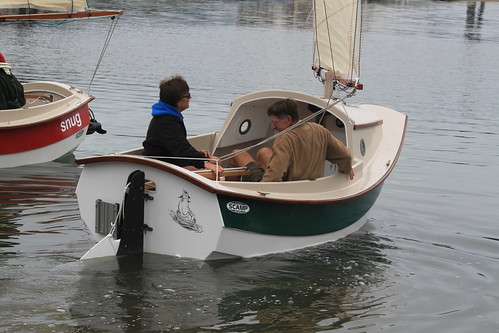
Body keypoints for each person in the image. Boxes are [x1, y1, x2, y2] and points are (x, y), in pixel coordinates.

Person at [228, 98, 354, 182]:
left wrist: (260, 190)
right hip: (306, 185)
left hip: (283, 187)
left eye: (274, 122)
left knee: (236, 154)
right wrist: (346, 169)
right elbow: (345, 155)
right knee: (264, 152)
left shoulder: (284, 139)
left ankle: (231, 194)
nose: (272, 127)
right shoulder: (320, 130)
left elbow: (274, 178)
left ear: (288, 119)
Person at [142, 75, 223, 174]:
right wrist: (204, 162)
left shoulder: (170, 116)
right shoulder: (165, 122)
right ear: (177, 102)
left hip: (169, 162)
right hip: (158, 168)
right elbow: (180, 149)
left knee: (213, 163)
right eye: (187, 96)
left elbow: (179, 146)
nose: (190, 97)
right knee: (204, 171)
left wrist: (199, 156)